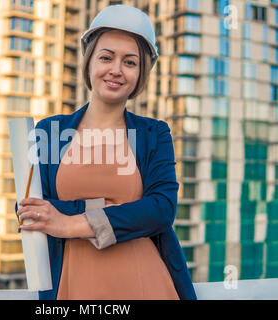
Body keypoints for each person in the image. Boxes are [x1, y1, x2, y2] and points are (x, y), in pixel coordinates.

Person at [15, 4, 197, 300]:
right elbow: (30, 210)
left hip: (146, 282)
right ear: (88, 63)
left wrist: (68, 221)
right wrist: (115, 209)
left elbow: (162, 209)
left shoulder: (154, 134)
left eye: (130, 62)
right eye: (106, 57)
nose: (116, 70)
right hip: (72, 286)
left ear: (141, 73)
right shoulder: (48, 131)